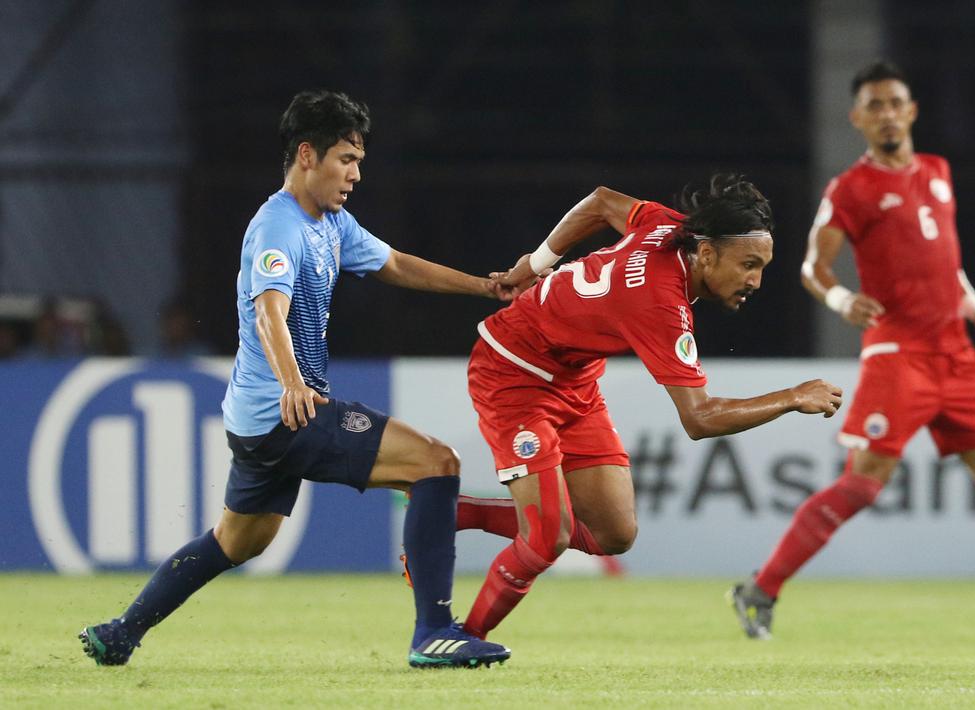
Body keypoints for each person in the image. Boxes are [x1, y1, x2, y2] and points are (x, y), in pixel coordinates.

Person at [80, 90, 514, 669]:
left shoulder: (332, 223)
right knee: (436, 463)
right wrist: (292, 382)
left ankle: (120, 632)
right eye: (346, 160)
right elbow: (268, 312)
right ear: (307, 155)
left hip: (257, 422)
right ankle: (435, 630)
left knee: (234, 543)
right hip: (287, 411)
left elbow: (398, 264)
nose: (355, 175)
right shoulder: (277, 227)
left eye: (359, 161)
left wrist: (483, 288)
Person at [728, 61, 975, 641]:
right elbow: (813, 266)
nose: (887, 113)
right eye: (875, 105)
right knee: (863, 486)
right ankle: (760, 589)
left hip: (957, 356)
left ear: (911, 111)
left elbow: (948, 266)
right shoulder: (851, 188)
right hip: (899, 355)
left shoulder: (938, 172)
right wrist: (842, 299)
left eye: (895, 102)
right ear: (858, 118)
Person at [453, 174, 845, 643]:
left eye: (761, 267)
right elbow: (699, 419)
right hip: (512, 372)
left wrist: (533, 265)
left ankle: (459, 512)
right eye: (747, 265)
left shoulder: (668, 225)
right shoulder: (661, 303)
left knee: (614, 533)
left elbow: (600, 201)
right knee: (547, 537)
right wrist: (792, 396)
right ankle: (460, 638)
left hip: (574, 378)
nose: (755, 281)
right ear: (707, 255)